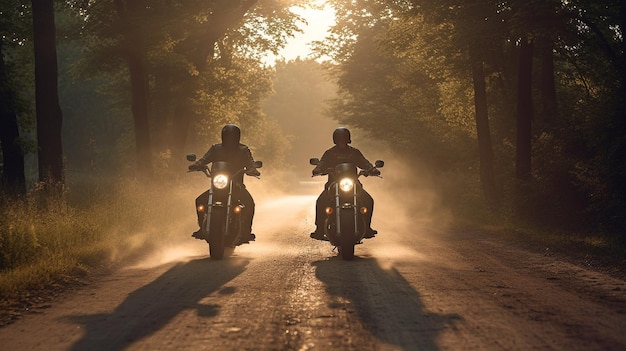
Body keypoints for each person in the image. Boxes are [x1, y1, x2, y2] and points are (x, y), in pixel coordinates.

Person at [189, 124, 260, 243]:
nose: (230, 139)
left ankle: (245, 232)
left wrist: (253, 169)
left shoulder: (243, 150)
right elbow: (205, 158)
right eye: (227, 136)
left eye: (232, 137)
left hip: (236, 185)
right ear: (223, 136)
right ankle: (202, 228)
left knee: (249, 204)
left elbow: (250, 162)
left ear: (237, 137)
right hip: (218, 184)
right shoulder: (216, 148)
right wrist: (197, 164)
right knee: (200, 201)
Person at [310, 127, 380, 240]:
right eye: (339, 139)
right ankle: (319, 230)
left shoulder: (354, 152)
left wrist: (372, 169)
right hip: (333, 184)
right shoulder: (330, 153)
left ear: (348, 139)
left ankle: (367, 228)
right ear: (335, 140)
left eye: (344, 139)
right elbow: (322, 163)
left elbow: (364, 162)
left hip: (353, 184)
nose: (342, 142)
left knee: (368, 200)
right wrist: (318, 169)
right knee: (321, 202)